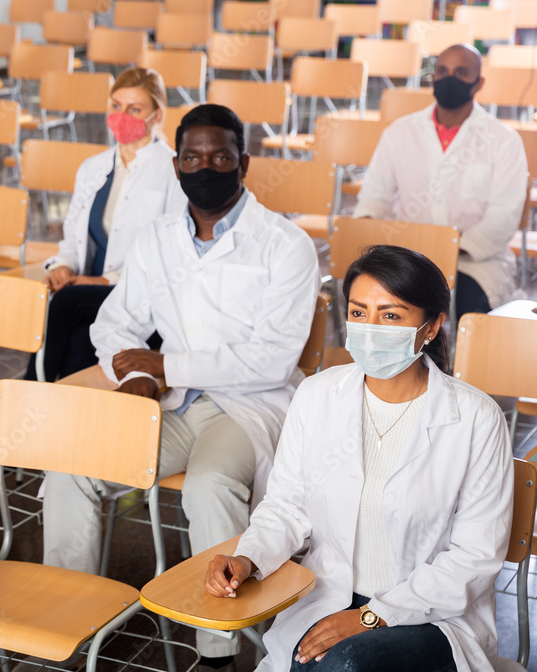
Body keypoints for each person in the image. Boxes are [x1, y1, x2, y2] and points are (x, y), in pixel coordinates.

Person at [41, 104, 320, 671]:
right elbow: (114, 325)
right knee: (72, 468)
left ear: (243, 164)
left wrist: (167, 366)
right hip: (169, 404)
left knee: (210, 484)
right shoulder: (157, 238)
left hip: (248, 407)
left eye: (220, 157)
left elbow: (271, 359)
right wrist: (140, 374)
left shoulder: (284, 244)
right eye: (192, 156)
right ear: (176, 164)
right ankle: (63, 623)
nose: (205, 167)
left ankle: (218, 649)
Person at [204, 245, 513, 672]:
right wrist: (248, 558)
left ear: (431, 326)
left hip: (432, 615)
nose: (370, 328)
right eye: (358, 312)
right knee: (316, 662)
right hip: (329, 597)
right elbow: (286, 507)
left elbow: (473, 558)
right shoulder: (316, 397)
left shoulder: (477, 418)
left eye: (390, 315)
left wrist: (373, 616)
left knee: (345, 664)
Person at [29, 67, 185, 382]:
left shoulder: (173, 173)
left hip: (141, 296)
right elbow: (73, 235)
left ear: (156, 116)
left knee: (66, 302)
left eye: (134, 109)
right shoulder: (93, 169)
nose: (121, 115)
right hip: (88, 293)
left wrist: (104, 280)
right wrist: (63, 265)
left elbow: (172, 255)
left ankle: (28, 390)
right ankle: (55, 415)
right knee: (76, 344)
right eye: (116, 106)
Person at [354, 43, 527, 316]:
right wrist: (365, 230)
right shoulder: (400, 132)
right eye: (442, 71)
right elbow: (376, 195)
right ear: (432, 76)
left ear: (478, 82)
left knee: (467, 308)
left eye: (461, 73)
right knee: (376, 305)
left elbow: (504, 215)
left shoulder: (504, 140)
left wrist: (450, 250)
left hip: (474, 261)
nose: (449, 79)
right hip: (408, 256)